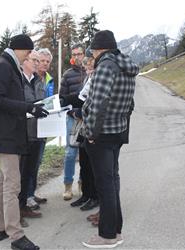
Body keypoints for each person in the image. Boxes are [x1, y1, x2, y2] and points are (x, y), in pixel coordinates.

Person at [0, 34, 48, 250]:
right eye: (28, 52)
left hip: (8, 134)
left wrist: (30, 107)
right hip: (5, 134)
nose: (29, 56)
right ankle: (16, 236)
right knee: (12, 185)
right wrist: (27, 107)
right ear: (19, 49)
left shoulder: (9, 64)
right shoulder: (4, 66)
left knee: (3, 182)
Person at [81, 30, 139, 248]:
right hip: (117, 131)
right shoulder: (126, 66)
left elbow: (97, 102)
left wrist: (90, 133)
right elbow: (130, 104)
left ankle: (107, 236)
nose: (93, 55)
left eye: (93, 51)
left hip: (102, 134)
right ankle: (116, 230)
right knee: (112, 182)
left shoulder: (105, 66)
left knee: (105, 185)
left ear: (98, 49)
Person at [61, 50, 99, 211]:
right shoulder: (86, 78)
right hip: (81, 124)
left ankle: (93, 196)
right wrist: (65, 102)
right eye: (88, 69)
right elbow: (80, 96)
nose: (89, 71)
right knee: (83, 160)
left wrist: (79, 112)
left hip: (90, 123)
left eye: (91, 68)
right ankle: (86, 195)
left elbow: (92, 102)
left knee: (91, 163)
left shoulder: (97, 79)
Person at [18, 50, 46, 221]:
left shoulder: (38, 80)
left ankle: (25, 204)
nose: (37, 63)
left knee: (30, 170)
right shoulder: (18, 81)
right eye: (34, 60)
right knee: (19, 174)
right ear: (24, 61)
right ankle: (18, 209)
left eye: (38, 60)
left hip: (38, 132)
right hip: (23, 133)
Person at [59, 43, 87, 200]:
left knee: (85, 153)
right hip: (72, 118)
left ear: (84, 54)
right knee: (70, 153)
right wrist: (72, 112)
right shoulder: (67, 75)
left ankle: (82, 184)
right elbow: (62, 100)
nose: (77, 57)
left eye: (79, 54)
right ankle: (67, 186)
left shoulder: (91, 72)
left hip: (88, 118)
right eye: (74, 54)